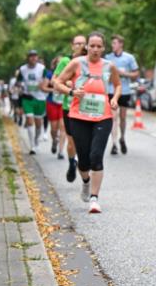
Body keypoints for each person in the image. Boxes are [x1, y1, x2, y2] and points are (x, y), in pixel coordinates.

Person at [53, 31, 121, 214]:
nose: (95, 49)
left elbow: (118, 84)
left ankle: (94, 198)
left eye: (99, 46)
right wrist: (71, 92)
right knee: (83, 161)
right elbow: (57, 83)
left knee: (96, 156)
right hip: (78, 116)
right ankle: (85, 181)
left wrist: (114, 98)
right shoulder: (77, 63)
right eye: (92, 46)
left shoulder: (109, 66)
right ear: (87, 47)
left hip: (103, 116)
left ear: (103, 48)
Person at [55, 35, 87, 181]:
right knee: (72, 141)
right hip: (70, 106)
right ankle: (71, 163)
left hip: (88, 107)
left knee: (87, 140)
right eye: (77, 43)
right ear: (72, 45)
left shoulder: (91, 61)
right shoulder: (66, 61)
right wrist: (66, 83)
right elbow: (54, 80)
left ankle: (83, 162)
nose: (80, 46)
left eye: (83, 43)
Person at [105, 34, 139, 155]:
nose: (112, 45)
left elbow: (136, 74)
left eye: (115, 43)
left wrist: (123, 74)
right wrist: (110, 76)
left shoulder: (129, 58)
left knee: (122, 118)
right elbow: (104, 75)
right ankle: (114, 144)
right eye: (112, 43)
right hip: (111, 91)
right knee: (113, 118)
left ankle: (122, 138)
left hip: (124, 91)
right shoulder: (108, 58)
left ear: (121, 44)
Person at [15, 50, 48, 154]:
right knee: (29, 120)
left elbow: (46, 80)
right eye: (31, 56)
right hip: (27, 98)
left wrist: (43, 84)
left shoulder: (42, 68)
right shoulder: (23, 69)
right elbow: (18, 82)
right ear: (28, 58)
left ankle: (36, 141)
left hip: (40, 98)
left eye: (35, 56)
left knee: (38, 124)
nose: (33, 58)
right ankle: (32, 146)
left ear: (37, 58)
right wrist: (20, 86)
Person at [43, 56, 66, 158]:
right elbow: (43, 87)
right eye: (58, 62)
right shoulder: (50, 74)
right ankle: (54, 140)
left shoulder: (68, 73)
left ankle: (61, 151)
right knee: (53, 128)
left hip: (63, 103)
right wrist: (54, 90)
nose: (60, 64)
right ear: (55, 64)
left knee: (63, 127)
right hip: (52, 102)